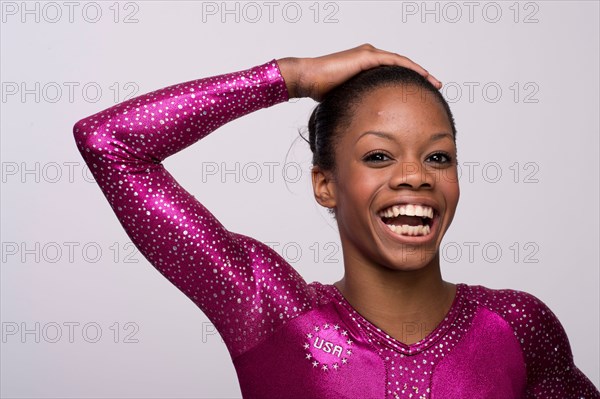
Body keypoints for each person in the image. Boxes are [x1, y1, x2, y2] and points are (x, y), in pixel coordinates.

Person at [73, 44, 600, 398]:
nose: (415, 176)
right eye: (378, 157)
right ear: (326, 184)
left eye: (438, 157)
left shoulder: (516, 325)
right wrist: (291, 77)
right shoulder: (267, 309)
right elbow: (110, 143)